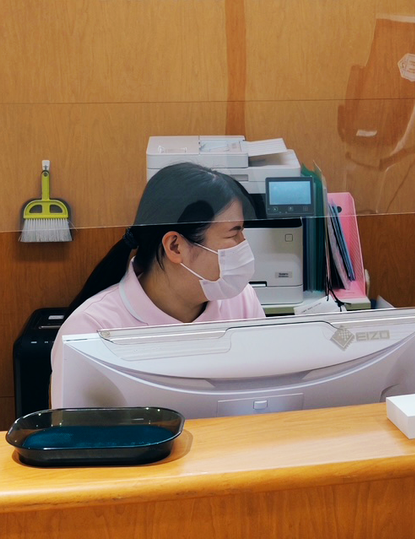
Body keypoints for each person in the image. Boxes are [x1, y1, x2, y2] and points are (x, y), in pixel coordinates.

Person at [50, 162, 266, 407]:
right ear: (175, 246)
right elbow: (77, 428)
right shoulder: (91, 328)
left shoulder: (242, 302)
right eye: (234, 233)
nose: (243, 244)